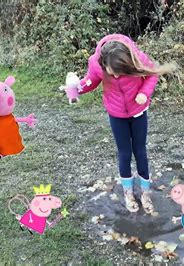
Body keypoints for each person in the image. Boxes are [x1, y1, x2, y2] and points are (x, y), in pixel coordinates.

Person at [65, 34, 176, 213]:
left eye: (120, 71)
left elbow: (152, 75)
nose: (116, 75)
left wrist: (144, 93)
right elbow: (91, 81)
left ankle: (145, 192)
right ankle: (128, 193)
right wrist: (75, 89)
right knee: (124, 153)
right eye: (111, 71)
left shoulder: (136, 58)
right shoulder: (96, 63)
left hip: (138, 111)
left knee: (140, 151)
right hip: (116, 114)